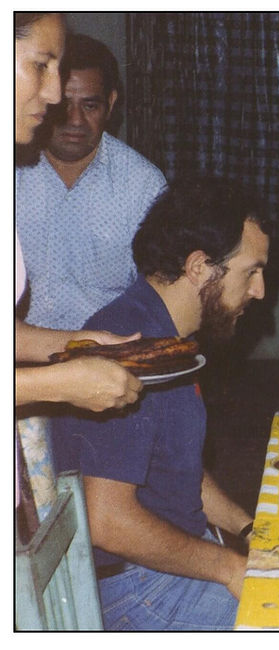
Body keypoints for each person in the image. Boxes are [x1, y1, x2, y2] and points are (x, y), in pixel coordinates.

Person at [51, 177, 270, 630]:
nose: (260, 290)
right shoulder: (129, 346)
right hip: (132, 589)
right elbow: (107, 520)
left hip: (163, 567)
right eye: (251, 271)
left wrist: (250, 529)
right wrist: (229, 568)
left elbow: (176, 469)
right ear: (199, 267)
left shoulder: (166, 336)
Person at [14, 13, 141, 413]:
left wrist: (83, 344)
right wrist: (54, 382)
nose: (53, 95)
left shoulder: (141, 183)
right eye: (40, 65)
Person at [17, 32, 167, 331]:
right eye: (64, 105)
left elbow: (159, 298)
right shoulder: (11, 170)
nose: (75, 121)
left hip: (107, 359)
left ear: (110, 104)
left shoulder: (143, 186)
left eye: (90, 106)